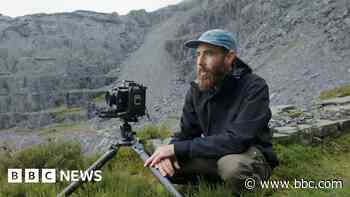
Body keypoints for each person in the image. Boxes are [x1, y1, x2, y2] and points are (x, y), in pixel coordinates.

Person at [144, 29, 279, 195]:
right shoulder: (196, 90)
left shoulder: (254, 86)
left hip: (247, 155)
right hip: (214, 154)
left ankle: (257, 187)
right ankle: (217, 184)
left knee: (232, 168)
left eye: (208, 54)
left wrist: (177, 149)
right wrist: (170, 149)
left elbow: (237, 140)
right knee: (163, 164)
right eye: (198, 54)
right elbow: (186, 134)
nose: (200, 62)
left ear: (229, 57)